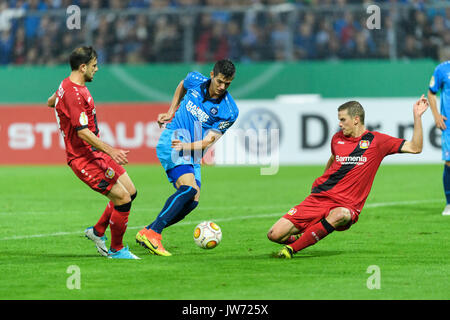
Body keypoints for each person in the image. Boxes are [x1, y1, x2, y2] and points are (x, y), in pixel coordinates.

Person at [267, 96, 429, 258]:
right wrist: (320, 183)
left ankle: (291, 249)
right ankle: (306, 235)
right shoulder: (337, 139)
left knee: (340, 215)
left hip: (346, 205)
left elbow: (415, 148)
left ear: (356, 119)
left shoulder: (377, 141)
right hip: (319, 198)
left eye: (343, 119)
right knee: (274, 234)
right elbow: (333, 159)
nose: (339, 124)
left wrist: (417, 116)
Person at [136, 59, 238, 256]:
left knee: (193, 200)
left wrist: (187, 147)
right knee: (189, 189)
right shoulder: (195, 79)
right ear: (211, 74)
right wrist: (171, 110)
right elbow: (182, 84)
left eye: (228, 83)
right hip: (174, 139)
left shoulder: (230, 111)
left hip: (192, 150)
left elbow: (208, 141)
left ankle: (148, 230)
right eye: (219, 81)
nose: (222, 87)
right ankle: (153, 233)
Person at [47, 46, 140, 259]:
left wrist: (57, 105)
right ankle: (116, 250)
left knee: (131, 192)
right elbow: (82, 133)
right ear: (83, 67)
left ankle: (97, 231)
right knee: (123, 199)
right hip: (83, 158)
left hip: (94, 154)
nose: (96, 69)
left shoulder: (65, 85)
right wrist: (111, 150)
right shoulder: (74, 94)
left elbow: (50, 101)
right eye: (94, 66)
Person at [428, 60, 450, 216]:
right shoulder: (442, 69)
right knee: (449, 163)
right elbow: (431, 92)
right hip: (449, 125)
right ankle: (449, 204)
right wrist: (436, 115)